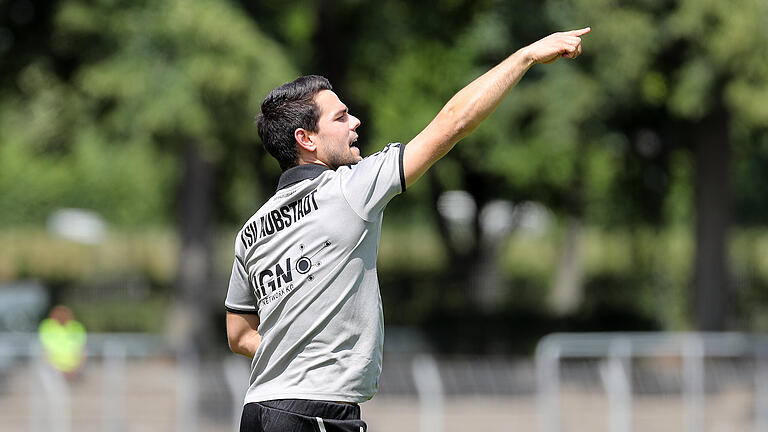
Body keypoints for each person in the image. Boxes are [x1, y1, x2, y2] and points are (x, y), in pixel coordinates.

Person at [225, 27, 590, 431]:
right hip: (314, 413)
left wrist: (294, 355)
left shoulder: (252, 230)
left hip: (259, 410)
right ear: (305, 138)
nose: (355, 122)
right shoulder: (350, 189)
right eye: (341, 117)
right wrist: (525, 56)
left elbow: (239, 334)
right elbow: (454, 122)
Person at [38, 305, 87, 379]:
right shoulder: (47, 327)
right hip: (53, 371)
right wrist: (54, 369)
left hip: (74, 371)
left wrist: (77, 369)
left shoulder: (76, 327)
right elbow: (44, 350)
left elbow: (82, 350)